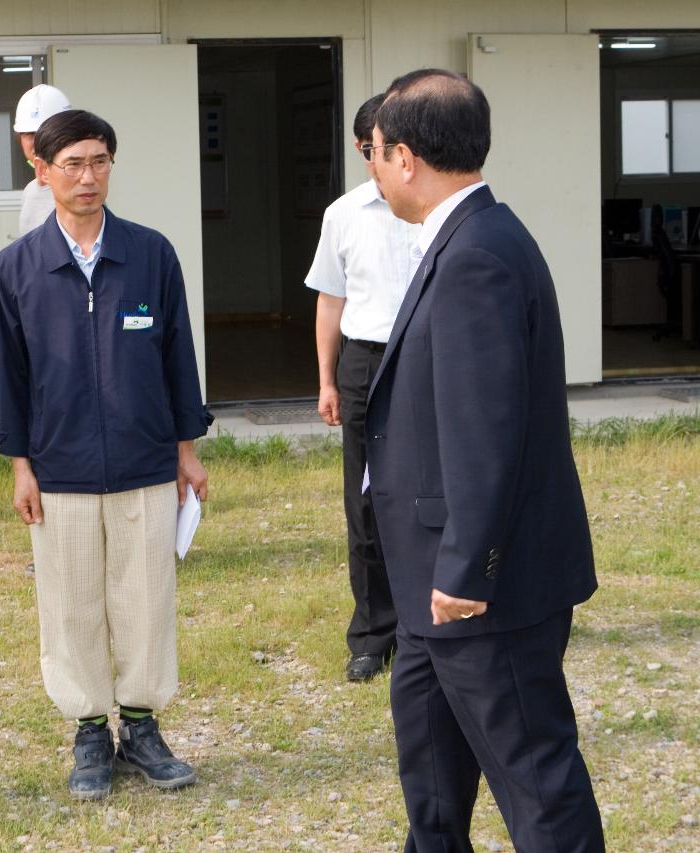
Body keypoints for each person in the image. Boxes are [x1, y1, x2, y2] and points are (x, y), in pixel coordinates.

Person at [366, 69, 603, 851]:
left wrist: (467, 570)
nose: (372, 166)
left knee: (536, 781)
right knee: (432, 789)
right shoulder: (470, 236)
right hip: (426, 587)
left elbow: (485, 428)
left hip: (474, 590)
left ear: (405, 156)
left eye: (373, 151)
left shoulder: (476, 254)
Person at [0, 110, 212, 801]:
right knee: (71, 601)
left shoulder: (150, 254)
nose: (88, 177)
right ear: (42, 170)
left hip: (146, 461)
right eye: (73, 164)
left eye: (100, 161)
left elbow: (178, 358)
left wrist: (186, 449)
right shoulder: (17, 267)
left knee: (145, 598)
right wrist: (21, 465)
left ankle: (141, 725)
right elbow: (8, 376)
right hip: (60, 469)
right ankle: (89, 728)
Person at [305, 94, 418, 682]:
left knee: (438, 492)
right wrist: (327, 379)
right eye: (384, 144)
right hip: (365, 362)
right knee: (366, 502)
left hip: (427, 358)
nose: (397, 154)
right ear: (364, 150)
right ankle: (373, 635)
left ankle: (435, 622)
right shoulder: (344, 214)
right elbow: (331, 298)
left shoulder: (436, 207)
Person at [14, 83, 72, 235]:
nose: (38, 142)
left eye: (45, 133)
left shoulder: (77, 187)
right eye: (30, 134)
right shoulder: (30, 191)